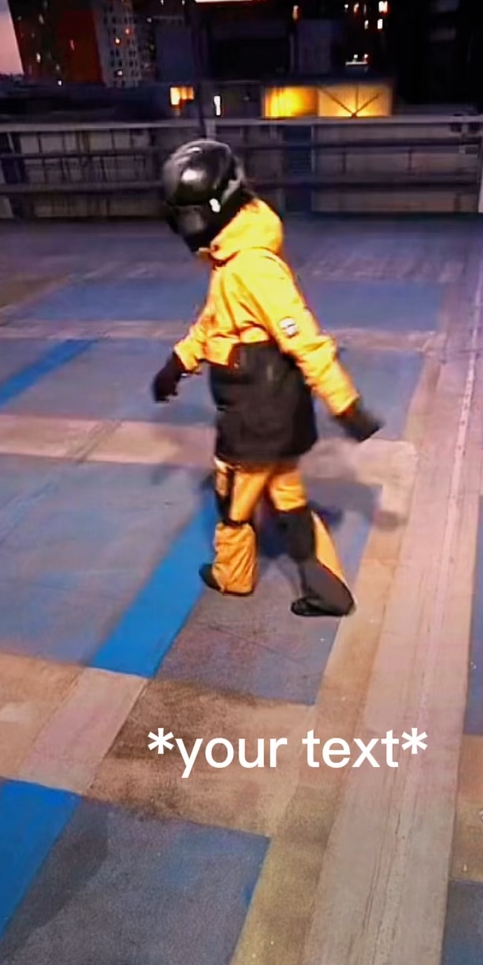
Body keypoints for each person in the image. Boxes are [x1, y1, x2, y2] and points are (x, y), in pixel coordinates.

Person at [151, 138, 382, 618]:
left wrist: (345, 404)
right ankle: (328, 590)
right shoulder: (231, 259)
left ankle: (232, 576)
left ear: (218, 206)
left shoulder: (252, 267)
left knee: (232, 496)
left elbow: (304, 337)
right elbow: (215, 323)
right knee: (286, 495)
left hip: (257, 413)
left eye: (191, 218)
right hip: (270, 408)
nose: (187, 231)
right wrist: (179, 362)